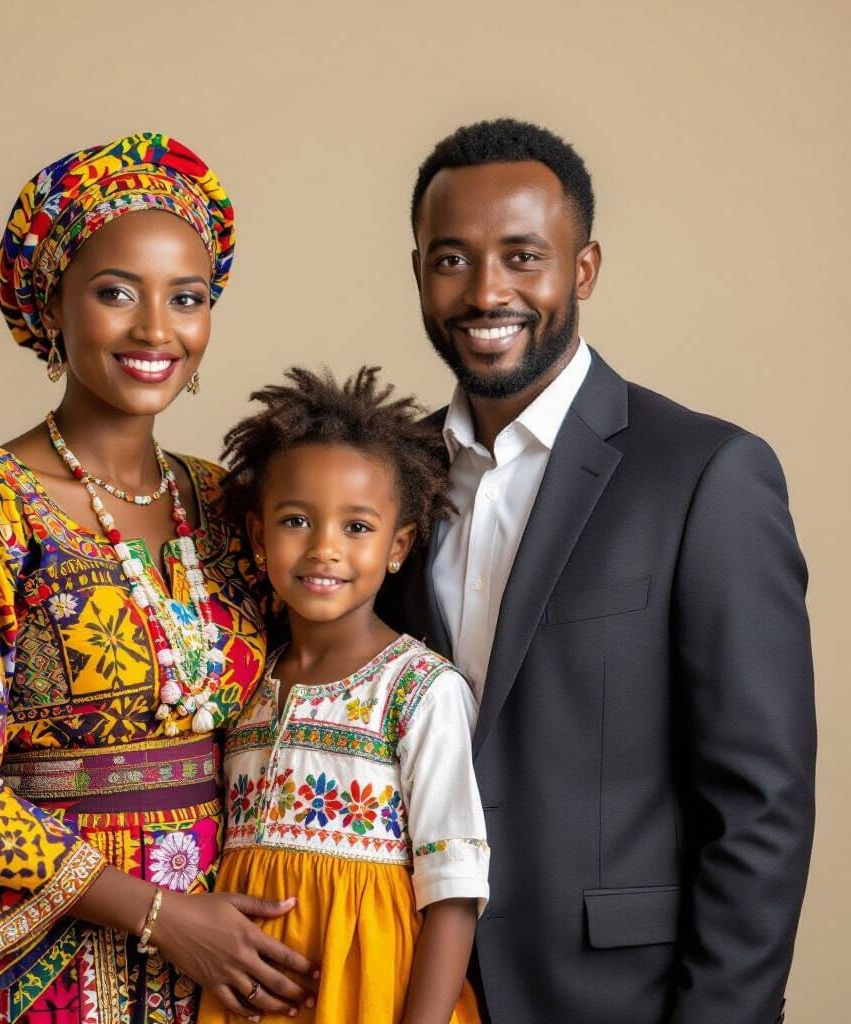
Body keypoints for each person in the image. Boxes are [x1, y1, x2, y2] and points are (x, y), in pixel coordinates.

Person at [378, 118, 816, 1023]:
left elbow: (760, 805)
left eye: (522, 255)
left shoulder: (706, 474)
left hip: (621, 996)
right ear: (418, 270)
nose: (486, 290)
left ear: (583, 269)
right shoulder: (386, 481)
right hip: (406, 982)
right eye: (451, 259)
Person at [0, 133, 318, 1024]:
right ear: (53, 304)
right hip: (48, 973)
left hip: (231, 961)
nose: (157, 329)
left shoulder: (232, 507)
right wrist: (161, 915)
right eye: (116, 291)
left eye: (187, 298)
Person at [197, 367, 490, 1023]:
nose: (324, 549)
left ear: (398, 546)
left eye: (356, 527)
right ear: (256, 537)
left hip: (373, 999)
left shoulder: (419, 691)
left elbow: (454, 892)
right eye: (297, 520)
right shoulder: (240, 689)